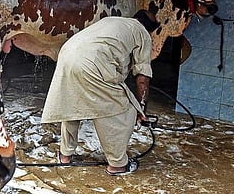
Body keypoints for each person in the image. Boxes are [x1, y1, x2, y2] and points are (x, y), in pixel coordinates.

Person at [41, 10, 160, 176]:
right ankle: (118, 164)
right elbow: (143, 79)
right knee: (119, 108)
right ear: (150, 30)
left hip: (67, 55)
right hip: (93, 63)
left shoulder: (113, 21)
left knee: (72, 103)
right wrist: (142, 108)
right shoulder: (143, 34)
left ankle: (65, 156)